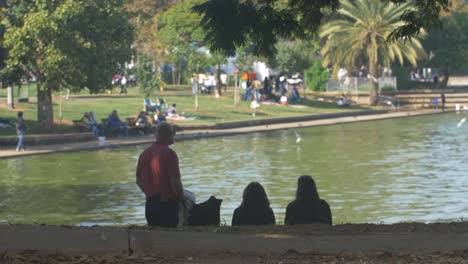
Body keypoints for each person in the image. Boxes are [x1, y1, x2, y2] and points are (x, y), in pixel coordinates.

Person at [136, 122, 184, 227]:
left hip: (150, 205)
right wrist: (181, 201)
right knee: (169, 239)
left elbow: (138, 181)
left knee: (155, 239)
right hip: (167, 205)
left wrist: (151, 194)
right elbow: (175, 182)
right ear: (169, 134)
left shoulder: (144, 154)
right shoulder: (169, 154)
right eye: (173, 133)